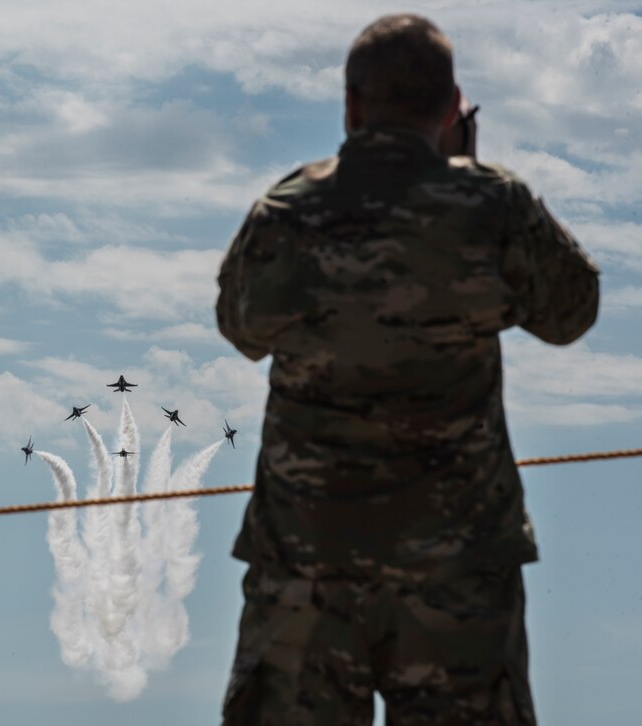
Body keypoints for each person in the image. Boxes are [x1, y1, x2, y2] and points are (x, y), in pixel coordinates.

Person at [216, 14, 599, 725]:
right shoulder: (492, 206)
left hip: (309, 569)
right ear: (454, 108)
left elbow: (240, 327)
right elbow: (572, 311)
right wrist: (474, 176)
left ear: (351, 105)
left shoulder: (287, 212)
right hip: (455, 574)